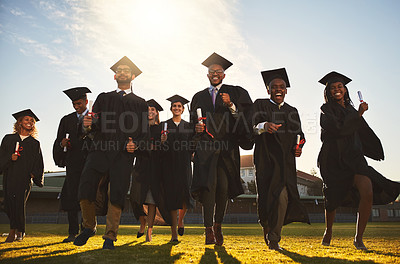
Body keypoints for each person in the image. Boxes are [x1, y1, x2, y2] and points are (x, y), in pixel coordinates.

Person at [318, 71, 400, 250]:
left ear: (345, 90)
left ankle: (358, 238)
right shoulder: (326, 110)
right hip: (334, 158)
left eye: (340, 86)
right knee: (332, 197)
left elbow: (362, 132)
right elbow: (339, 130)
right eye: (333, 88)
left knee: (367, 190)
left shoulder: (352, 110)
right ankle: (328, 231)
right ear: (328, 92)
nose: (337, 90)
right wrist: (358, 114)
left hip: (354, 158)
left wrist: (375, 149)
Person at [74, 56, 149, 250]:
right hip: (99, 150)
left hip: (123, 154)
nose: (123, 72)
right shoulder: (103, 97)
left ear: (133, 76)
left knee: (116, 193)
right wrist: (88, 126)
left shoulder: (140, 103)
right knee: (85, 186)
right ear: (115, 75)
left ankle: (110, 235)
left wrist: (136, 146)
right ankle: (89, 227)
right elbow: (93, 124)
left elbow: (144, 134)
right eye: (120, 70)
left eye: (126, 70)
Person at [190, 52, 253, 245]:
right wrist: (196, 129)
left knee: (223, 188)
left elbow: (246, 119)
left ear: (224, 75)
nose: (215, 74)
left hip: (227, 149)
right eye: (211, 71)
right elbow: (193, 122)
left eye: (218, 71)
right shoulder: (198, 97)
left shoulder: (235, 92)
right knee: (209, 188)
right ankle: (208, 229)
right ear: (207, 75)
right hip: (206, 150)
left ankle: (218, 225)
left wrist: (231, 105)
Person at [252, 68, 309, 250]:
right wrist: (264, 126)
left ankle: (275, 238)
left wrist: (298, 147)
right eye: (274, 87)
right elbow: (249, 128)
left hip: (285, 163)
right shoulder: (259, 105)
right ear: (268, 90)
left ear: (286, 90)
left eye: (282, 87)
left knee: (282, 196)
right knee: (266, 198)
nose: (278, 89)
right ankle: (267, 230)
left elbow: (299, 135)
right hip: (265, 160)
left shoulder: (292, 111)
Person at [53, 87, 91, 243]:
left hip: (89, 162)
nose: (76, 107)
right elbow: (58, 140)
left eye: (79, 103)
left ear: (86, 101)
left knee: (87, 197)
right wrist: (62, 144)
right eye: (74, 104)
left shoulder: (94, 117)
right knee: (71, 196)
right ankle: (72, 231)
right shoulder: (66, 120)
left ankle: (87, 228)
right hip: (73, 163)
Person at [129, 99, 170, 242]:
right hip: (141, 167)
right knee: (135, 198)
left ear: (157, 113)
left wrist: (164, 142)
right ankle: (142, 222)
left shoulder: (161, 130)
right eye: (148, 110)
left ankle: (149, 232)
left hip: (155, 168)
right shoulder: (140, 129)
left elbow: (165, 151)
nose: (150, 112)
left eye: (153, 110)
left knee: (152, 201)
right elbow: (134, 147)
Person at [0, 109, 44, 242]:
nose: (30, 122)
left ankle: (14, 232)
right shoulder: (8, 139)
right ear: (19, 122)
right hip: (10, 176)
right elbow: (1, 157)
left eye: (32, 121)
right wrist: (9, 158)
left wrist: (33, 174)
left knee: (19, 203)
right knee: (8, 204)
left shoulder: (34, 143)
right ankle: (21, 230)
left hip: (24, 178)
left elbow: (39, 162)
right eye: (27, 120)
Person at [161, 95, 194, 242]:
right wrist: (162, 141)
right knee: (172, 199)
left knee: (184, 197)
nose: (177, 108)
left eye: (179, 106)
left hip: (185, 164)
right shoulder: (164, 125)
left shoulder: (188, 126)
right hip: (169, 165)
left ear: (182, 109)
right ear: (171, 108)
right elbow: (161, 147)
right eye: (174, 106)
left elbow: (193, 144)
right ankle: (174, 233)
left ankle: (181, 220)